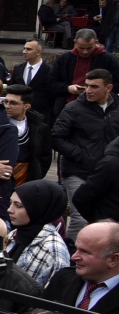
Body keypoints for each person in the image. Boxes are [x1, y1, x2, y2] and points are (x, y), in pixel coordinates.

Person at [51, 69, 115, 240]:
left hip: (108, 173)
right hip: (78, 171)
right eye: (86, 86)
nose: (88, 90)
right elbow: (56, 137)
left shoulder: (116, 110)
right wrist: (80, 154)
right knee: (79, 217)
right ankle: (74, 256)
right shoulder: (73, 108)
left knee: (107, 218)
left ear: (108, 88)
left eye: (94, 86)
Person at [43, 221, 119, 314]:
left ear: (113, 259)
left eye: (84, 252)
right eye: (76, 248)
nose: (74, 257)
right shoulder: (63, 279)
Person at [4, 180, 71, 287]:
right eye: (10, 203)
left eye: (18, 205)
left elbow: (50, 297)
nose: (9, 209)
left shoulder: (54, 251)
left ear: (37, 207)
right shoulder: (14, 234)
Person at [2, 84, 53, 184]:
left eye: (13, 103)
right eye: (6, 102)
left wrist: (35, 177)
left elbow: (45, 158)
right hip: (1, 178)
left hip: (27, 180)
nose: (7, 106)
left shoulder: (40, 128)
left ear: (26, 106)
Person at [8, 39, 57, 117]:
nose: (24, 51)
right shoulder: (18, 68)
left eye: (28, 49)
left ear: (38, 52)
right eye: (24, 48)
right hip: (18, 114)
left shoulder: (49, 70)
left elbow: (53, 94)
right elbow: (12, 89)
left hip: (41, 114)